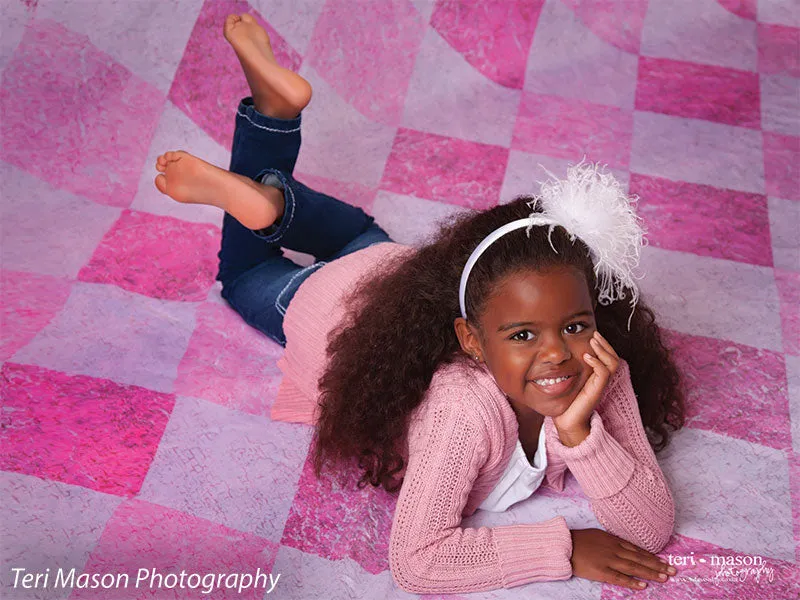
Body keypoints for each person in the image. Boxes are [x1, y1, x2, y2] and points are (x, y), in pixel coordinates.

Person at [154, 14, 686, 595]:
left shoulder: (601, 373)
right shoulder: (464, 410)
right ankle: (269, 192)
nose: (558, 354)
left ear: (594, 314)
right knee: (246, 273)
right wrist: (565, 546)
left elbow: (652, 525)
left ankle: (273, 169)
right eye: (523, 335)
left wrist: (582, 433)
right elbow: (418, 559)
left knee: (360, 233)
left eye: (576, 324)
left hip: (394, 270)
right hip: (329, 304)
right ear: (471, 341)